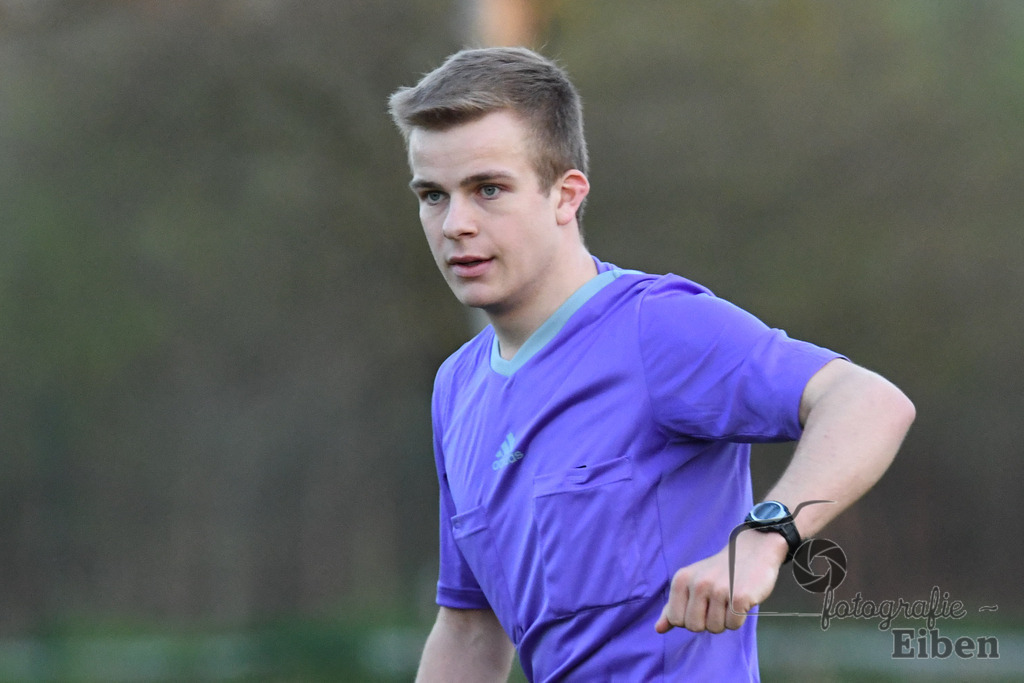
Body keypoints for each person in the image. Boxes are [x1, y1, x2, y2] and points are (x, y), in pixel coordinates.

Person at [388, 46, 915, 682]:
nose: (456, 224)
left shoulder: (656, 328)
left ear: (566, 195)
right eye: (433, 196)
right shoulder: (457, 386)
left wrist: (764, 538)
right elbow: (471, 629)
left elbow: (869, 402)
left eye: (489, 189)